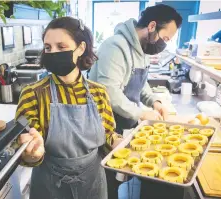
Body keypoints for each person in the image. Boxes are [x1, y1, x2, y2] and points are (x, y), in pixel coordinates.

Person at [15, 17, 122, 199]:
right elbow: (26, 144)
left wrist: (121, 144)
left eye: (61, 47)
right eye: (48, 48)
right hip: (50, 185)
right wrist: (32, 152)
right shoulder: (32, 94)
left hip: (93, 183)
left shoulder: (99, 93)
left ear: (81, 48)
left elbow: (107, 136)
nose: (53, 52)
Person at [88, 4, 182, 199]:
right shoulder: (115, 46)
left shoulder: (142, 49)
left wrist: (154, 101)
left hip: (124, 123)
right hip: (105, 126)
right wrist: (141, 113)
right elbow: (109, 92)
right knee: (106, 182)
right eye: (164, 38)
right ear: (152, 26)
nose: (164, 44)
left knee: (118, 177)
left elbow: (141, 83)